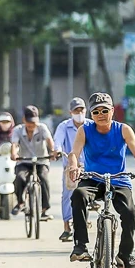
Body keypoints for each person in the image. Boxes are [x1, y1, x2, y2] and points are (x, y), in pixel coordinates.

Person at [67, 92, 135, 268]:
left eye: (105, 110)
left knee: (130, 214)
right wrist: (73, 167)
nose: (101, 115)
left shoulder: (123, 129)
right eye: (96, 112)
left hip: (119, 179)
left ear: (112, 111)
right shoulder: (85, 130)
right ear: (91, 115)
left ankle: (125, 255)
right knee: (78, 196)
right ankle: (80, 246)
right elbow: (74, 152)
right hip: (92, 177)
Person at [11, 105, 60, 219]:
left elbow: (49, 141)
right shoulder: (18, 130)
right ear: (24, 120)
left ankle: (44, 209)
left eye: (34, 122)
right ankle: (20, 202)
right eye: (29, 122)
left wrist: (53, 152)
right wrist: (14, 154)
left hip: (41, 160)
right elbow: (14, 144)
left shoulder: (42, 128)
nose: (31, 126)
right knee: (19, 178)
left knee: (44, 179)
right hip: (23, 161)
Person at [52, 97, 85, 242]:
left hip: (88, 166)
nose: (79, 113)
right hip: (71, 167)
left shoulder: (91, 125)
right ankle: (67, 227)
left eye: (81, 110)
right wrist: (57, 150)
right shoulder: (64, 126)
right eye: (76, 110)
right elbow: (57, 141)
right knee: (68, 195)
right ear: (70, 112)